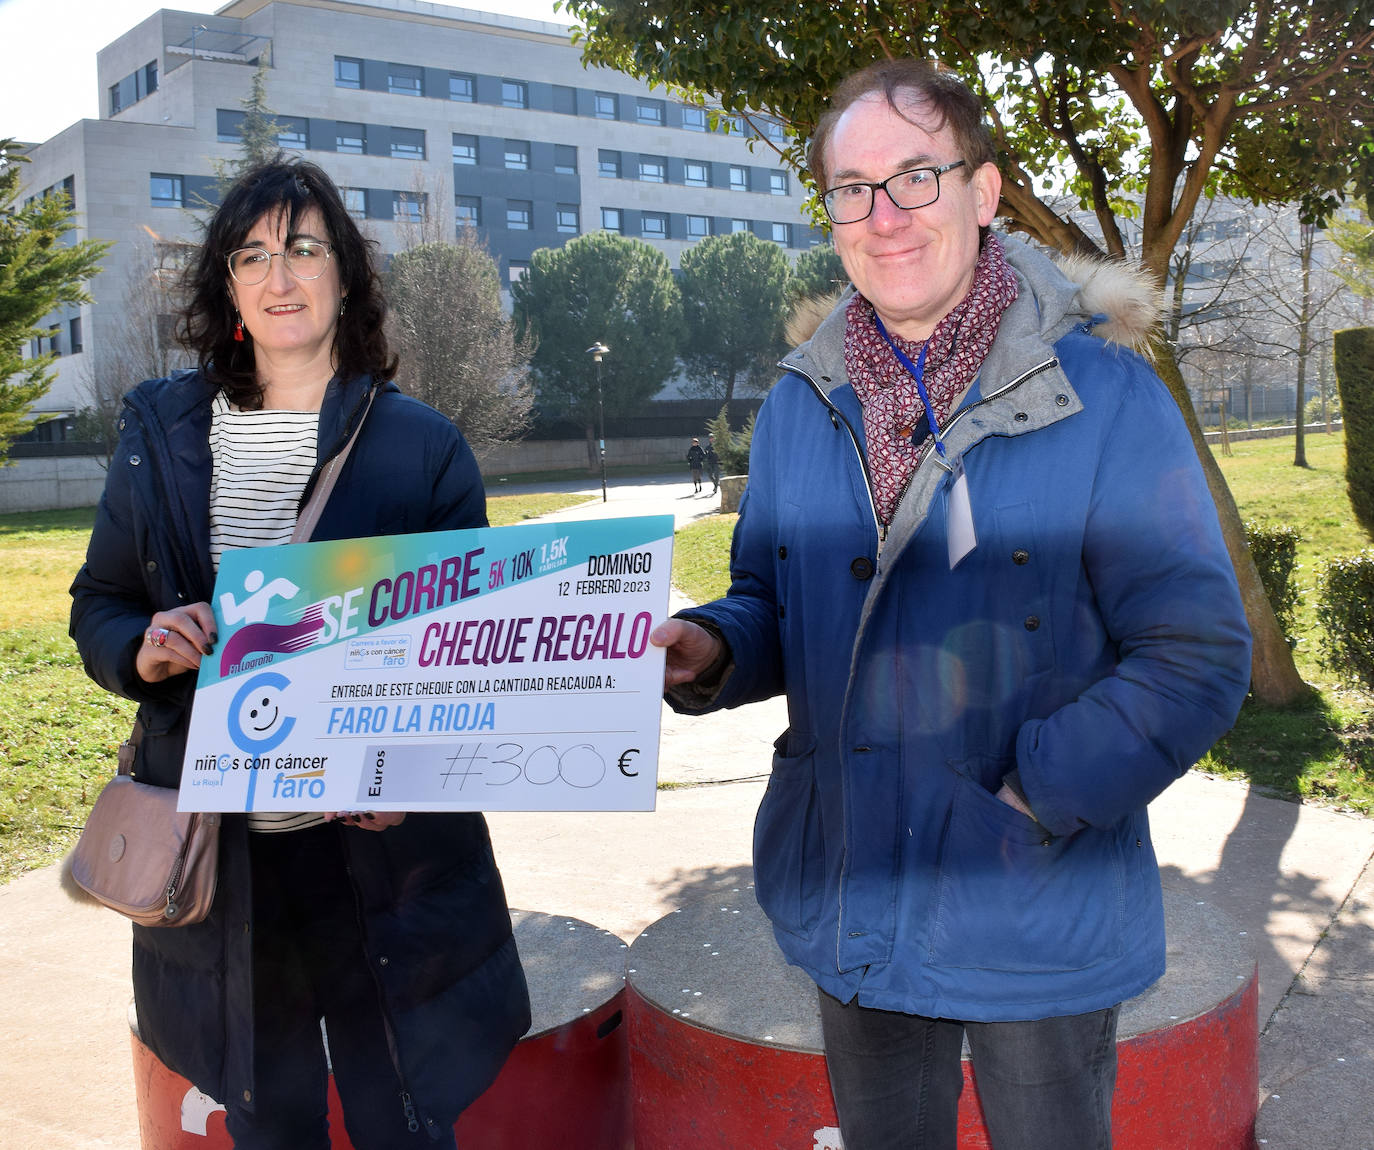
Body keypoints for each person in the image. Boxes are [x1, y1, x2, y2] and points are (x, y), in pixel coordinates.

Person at [650, 59, 1251, 1150]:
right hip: (853, 884)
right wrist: (711, 647)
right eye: (851, 188)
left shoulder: (1104, 395)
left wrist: (1027, 799)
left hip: (1034, 895)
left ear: (983, 194)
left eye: (917, 176)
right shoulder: (801, 404)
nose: (883, 216)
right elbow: (773, 600)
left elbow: (1197, 654)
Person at [69, 158, 530, 1149]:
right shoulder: (164, 435)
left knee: (399, 1113)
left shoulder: (422, 447)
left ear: (346, 276)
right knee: (271, 1122)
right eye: (253, 254)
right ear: (228, 286)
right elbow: (99, 603)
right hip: (227, 871)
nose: (281, 274)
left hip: (382, 863)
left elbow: (471, 664)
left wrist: (412, 772)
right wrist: (141, 648)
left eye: (304, 248)